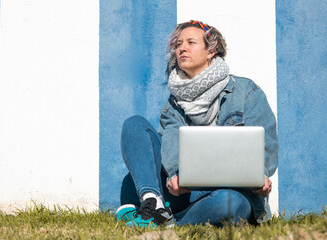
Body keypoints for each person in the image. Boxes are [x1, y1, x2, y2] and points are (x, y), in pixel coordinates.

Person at [116, 20, 278, 228]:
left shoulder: (247, 92)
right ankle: (154, 205)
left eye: (191, 42)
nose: (181, 48)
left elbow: (266, 146)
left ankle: (168, 222)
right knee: (134, 124)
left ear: (211, 50)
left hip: (230, 192)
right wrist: (175, 175)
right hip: (185, 193)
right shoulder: (172, 104)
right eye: (178, 44)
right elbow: (171, 145)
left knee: (230, 204)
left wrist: (260, 176)